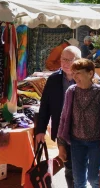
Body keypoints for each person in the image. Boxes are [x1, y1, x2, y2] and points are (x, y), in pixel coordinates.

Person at [57, 59, 100, 188]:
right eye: (73, 73)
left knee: (94, 177)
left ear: (90, 74)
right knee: (78, 180)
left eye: (78, 73)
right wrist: (61, 144)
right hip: (76, 142)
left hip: (96, 143)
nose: (75, 76)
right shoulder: (71, 92)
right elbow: (64, 118)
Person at [35, 45, 80, 188]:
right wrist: (40, 130)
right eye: (63, 59)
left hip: (85, 132)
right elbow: (45, 106)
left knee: (84, 166)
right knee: (69, 167)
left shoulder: (88, 77)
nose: (66, 63)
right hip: (63, 132)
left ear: (78, 60)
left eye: (70, 60)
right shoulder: (54, 80)